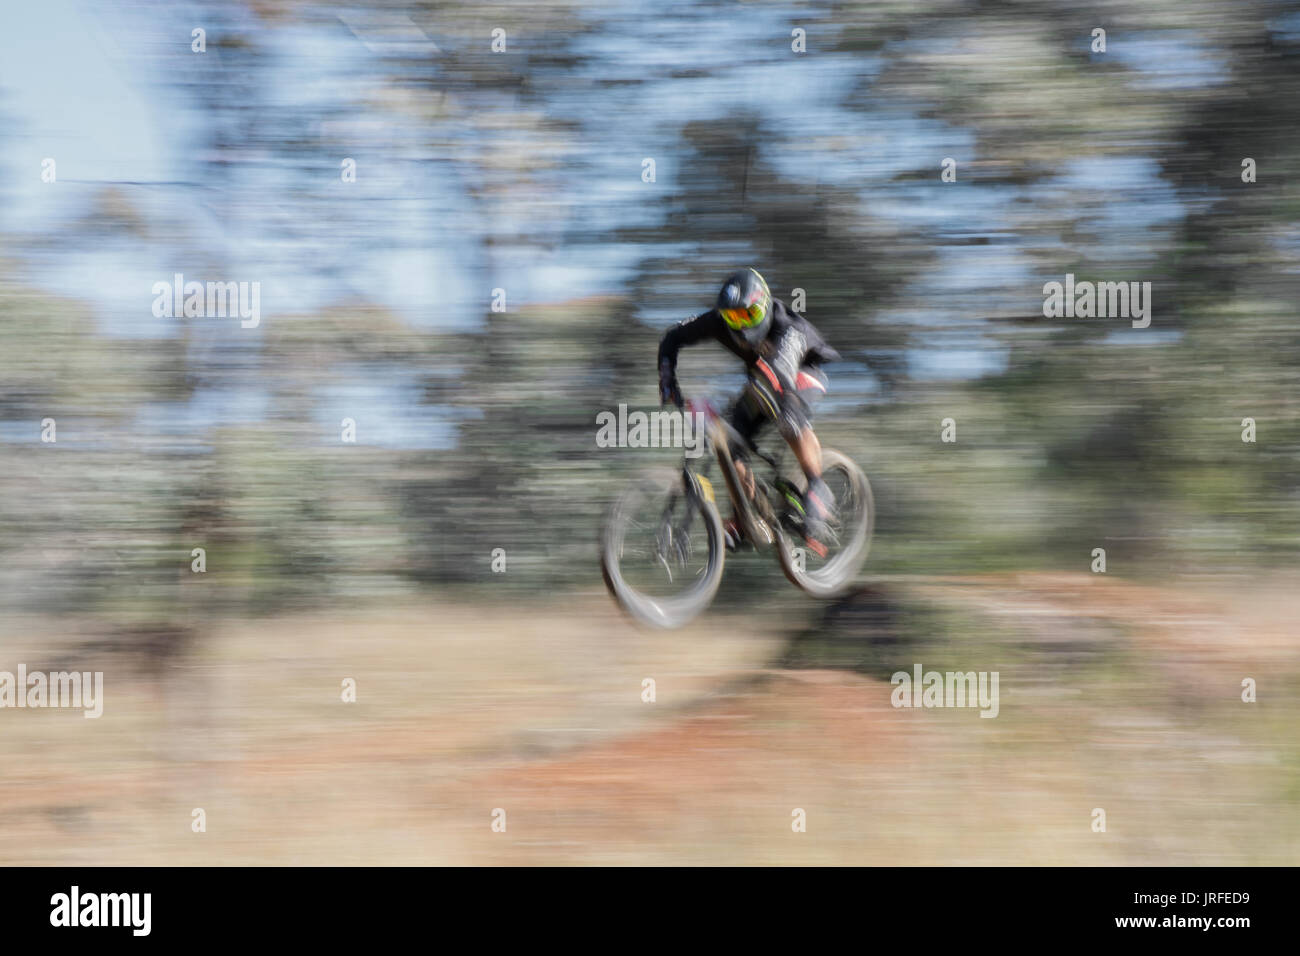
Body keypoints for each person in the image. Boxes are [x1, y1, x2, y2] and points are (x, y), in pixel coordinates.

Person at [657, 268, 841, 553]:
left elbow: (782, 374)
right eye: (733, 318)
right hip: (763, 380)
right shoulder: (716, 322)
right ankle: (745, 516)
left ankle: (818, 489)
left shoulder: (786, 327)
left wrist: (781, 402)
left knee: (787, 416)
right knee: (730, 446)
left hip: (802, 372)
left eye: (748, 316)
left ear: (765, 305)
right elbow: (672, 338)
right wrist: (668, 381)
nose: (741, 326)